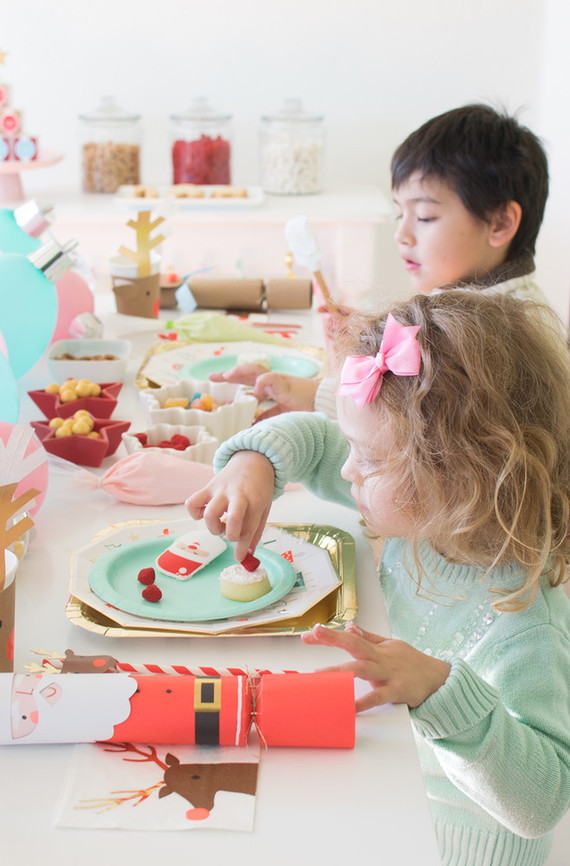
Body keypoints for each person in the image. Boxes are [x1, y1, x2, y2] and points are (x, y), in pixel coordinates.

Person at [187, 291, 570, 866]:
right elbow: (317, 442)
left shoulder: (522, 624)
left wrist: (441, 692)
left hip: (455, 844)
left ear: (456, 477)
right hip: (384, 789)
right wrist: (256, 462)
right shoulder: (431, 510)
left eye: (369, 459)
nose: (346, 470)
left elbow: (542, 803)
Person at [211, 103, 550, 421]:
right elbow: (401, 397)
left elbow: (406, 429)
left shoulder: (493, 336)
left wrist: (332, 378)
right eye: (400, 213)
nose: (401, 234)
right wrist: (313, 382)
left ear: (501, 223)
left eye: (426, 216)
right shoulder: (471, 302)